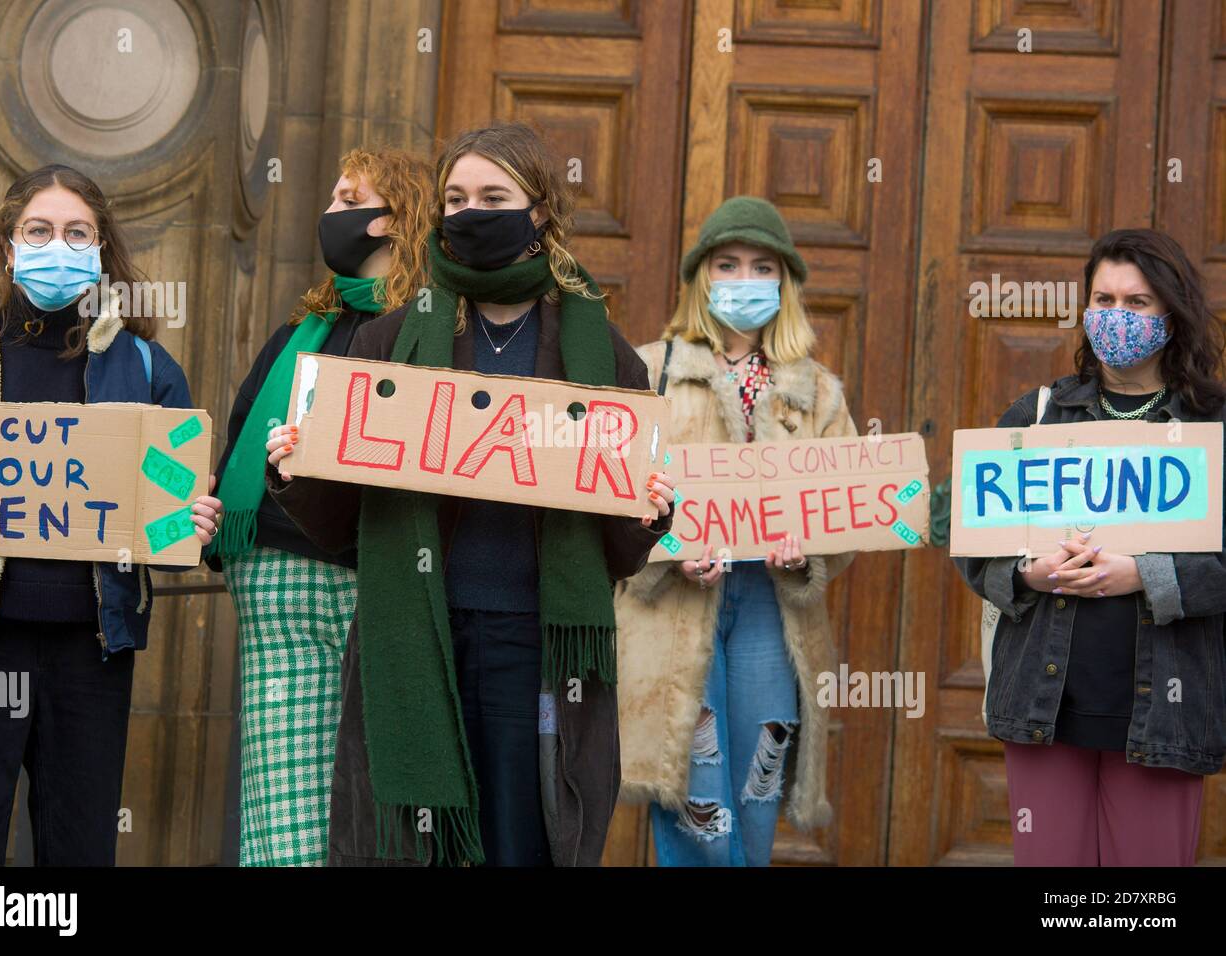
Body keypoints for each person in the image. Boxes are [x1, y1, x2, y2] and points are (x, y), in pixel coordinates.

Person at [266, 122, 674, 866]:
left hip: (534, 641)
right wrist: (298, 470)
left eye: (493, 196)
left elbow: (618, 543)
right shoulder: (390, 340)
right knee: (417, 843)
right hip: (421, 629)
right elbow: (344, 523)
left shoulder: (601, 352)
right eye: (455, 198)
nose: (469, 213)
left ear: (540, 211)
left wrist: (651, 508)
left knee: (521, 835)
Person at [0, 164, 222, 865]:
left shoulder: (148, 367)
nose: (57, 245)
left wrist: (191, 521)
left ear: (98, 250)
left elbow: (174, 506)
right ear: (8, 246)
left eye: (75, 232)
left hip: (90, 650)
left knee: (80, 844)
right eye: (39, 230)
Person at [954, 228, 1226, 866]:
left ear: (1171, 314)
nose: (1116, 317)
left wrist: (1146, 575)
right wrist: (1030, 573)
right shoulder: (1037, 415)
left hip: (1164, 714)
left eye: (1137, 303)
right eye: (1103, 300)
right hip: (1045, 708)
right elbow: (973, 548)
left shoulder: (1211, 425)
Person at [206, 147, 435, 866]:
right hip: (285, 581)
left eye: (347, 198)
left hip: (392, 585)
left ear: (392, 222)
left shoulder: (435, 338)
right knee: (288, 813)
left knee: (384, 813)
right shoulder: (295, 338)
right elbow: (235, 451)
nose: (330, 212)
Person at [614, 196, 856, 866]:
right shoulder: (650, 371)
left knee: (755, 788)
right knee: (697, 798)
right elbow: (610, 503)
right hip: (675, 609)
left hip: (770, 612)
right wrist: (669, 552)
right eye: (728, 264)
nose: (744, 280)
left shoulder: (818, 392)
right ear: (701, 277)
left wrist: (807, 551)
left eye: (761, 267)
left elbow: (852, 510)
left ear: (784, 284)